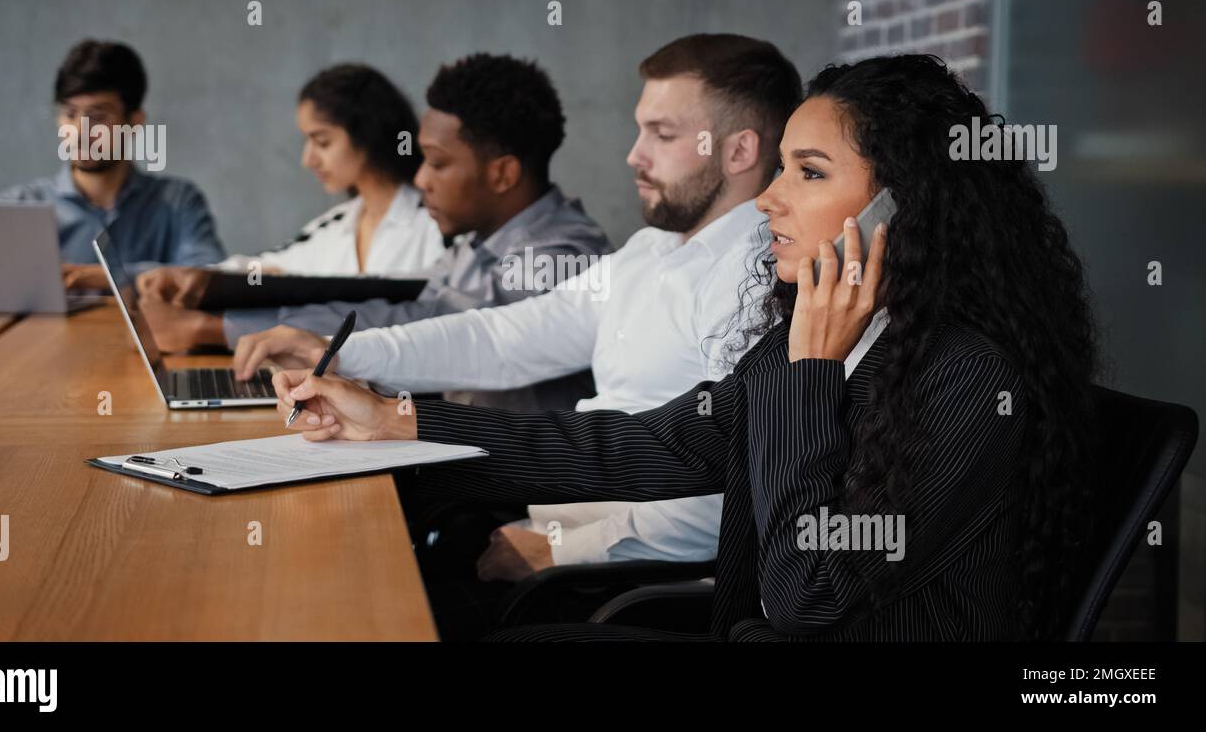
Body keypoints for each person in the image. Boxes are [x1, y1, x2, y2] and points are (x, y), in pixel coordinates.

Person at [270, 54, 1099, 642]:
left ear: (901, 207)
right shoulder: (814, 345)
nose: (770, 199)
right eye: (779, 168)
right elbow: (638, 444)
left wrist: (809, 374)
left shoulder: (967, 377)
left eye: (808, 172)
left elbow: (805, 594)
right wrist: (393, 423)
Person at [232, 35, 802, 636]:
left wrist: (566, 550)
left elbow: (722, 492)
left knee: (351, 614)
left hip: (620, 582)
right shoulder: (654, 249)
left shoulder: (756, 275)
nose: (633, 155)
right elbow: (503, 338)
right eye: (640, 131)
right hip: (556, 528)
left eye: (662, 135)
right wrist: (343, 353)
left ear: (738, 150)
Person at [145, 53, 614, 411]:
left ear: (503, 174)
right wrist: (271, 333)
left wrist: (223, 330)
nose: (422, 178)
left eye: (438, 163)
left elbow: (454, 337)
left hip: (510, 497)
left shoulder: (563, 257)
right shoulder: (477, 244)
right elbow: (401, 310)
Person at [136, 64, 443, 305]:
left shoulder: (434, 224)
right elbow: (267, 268)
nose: (308, 159)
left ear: (369, 134)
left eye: (321, 142)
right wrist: (186, 276)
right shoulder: (334, 226)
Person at [0, 39, 225, 292]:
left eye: (98, 117)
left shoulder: (177, 202)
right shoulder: (18, 207)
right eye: (70, 114)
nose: (81, 132)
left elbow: (206, 278)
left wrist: (104, 276)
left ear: (134, 121)